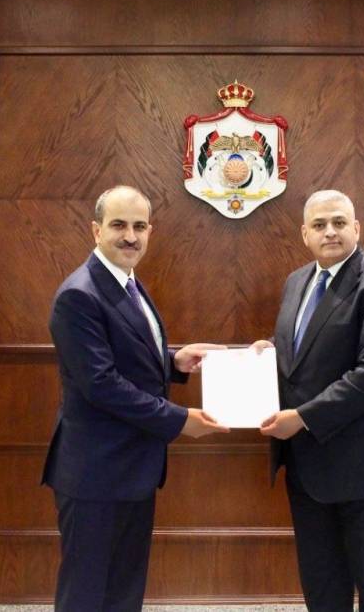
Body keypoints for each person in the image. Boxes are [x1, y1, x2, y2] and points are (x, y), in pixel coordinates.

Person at [42, 185, 228, 611]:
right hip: (95, 472)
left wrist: (174, 361)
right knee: (87, 594)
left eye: (139, 227)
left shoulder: (126, 281)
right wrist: (179, 420)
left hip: (130, 467)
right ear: (96, 230)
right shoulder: (79, 294)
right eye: (119, 225)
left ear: (150, 231)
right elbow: (101, 383)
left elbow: (127, 355)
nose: (130, 236)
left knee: (123, 591)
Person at [253, 189, 364, 612]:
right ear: (305, 234)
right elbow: (308, 349)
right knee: (323, 587)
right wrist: (271, 352)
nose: (330, 231)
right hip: (309, 467)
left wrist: (303, 417)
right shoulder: (297, 281)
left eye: (339, 223)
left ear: (356, 228)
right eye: (320, 225)